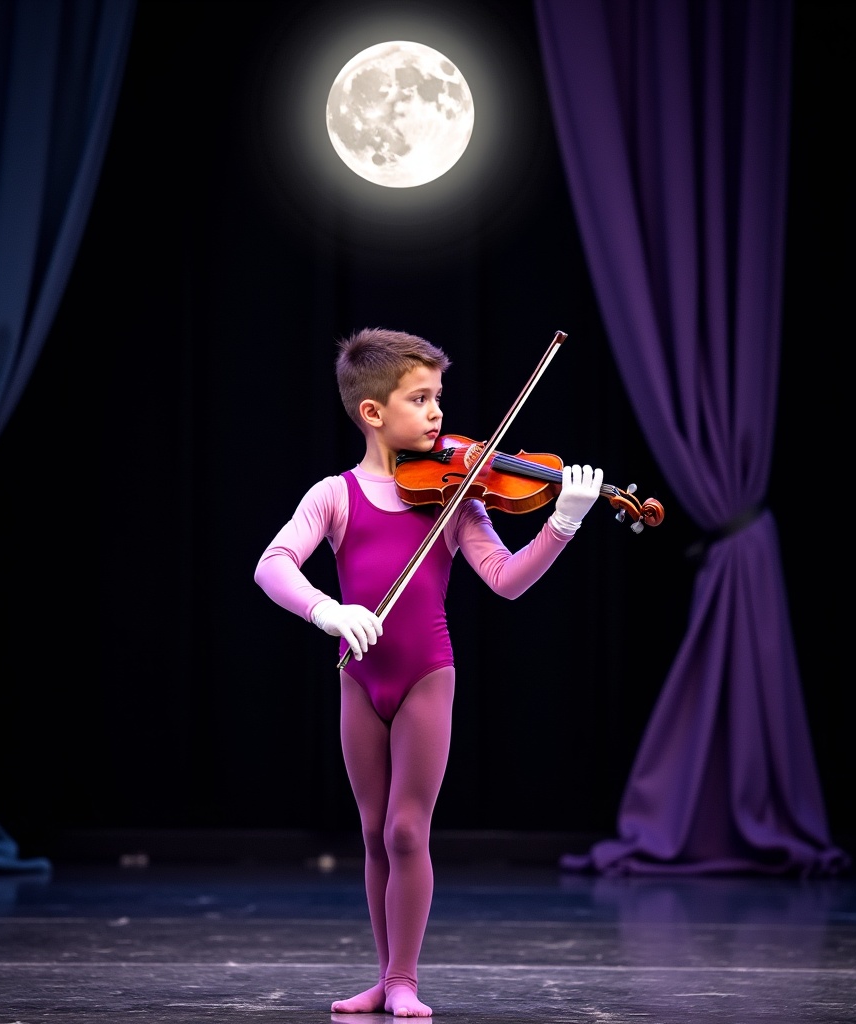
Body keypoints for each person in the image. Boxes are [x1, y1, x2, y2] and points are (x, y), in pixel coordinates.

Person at [254, 327, 603, 1017]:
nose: (439, 413)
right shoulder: (335, 493)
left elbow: (504, 581)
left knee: (407, 831)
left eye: (438, 396)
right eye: (421, 399)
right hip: (359, 676)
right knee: (371, 830)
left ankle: (406, 981)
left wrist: (561, 522)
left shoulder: (459, 495)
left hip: (424, 676)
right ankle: (383, 980)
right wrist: (327, 610)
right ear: (373, 412)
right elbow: (271, 564)